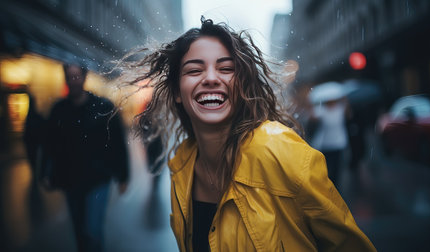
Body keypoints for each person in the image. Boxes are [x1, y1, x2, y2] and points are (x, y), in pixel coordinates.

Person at [121, 17, 376, 251]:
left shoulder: (283, 152)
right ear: (177, 91)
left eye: (226, 68)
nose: (210, 78)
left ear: (242, 84)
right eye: (194, 70)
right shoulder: (182, 166)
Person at [44, 63, 129, 252]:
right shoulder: (59, 110)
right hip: (70, 179)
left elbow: (118, 143)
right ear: (65, 79)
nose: (73, 81)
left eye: (77, 76)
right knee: (79, 228)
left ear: (84, 77)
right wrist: (46, 171)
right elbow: (49, 144)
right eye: (70, 77)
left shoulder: (102, 107)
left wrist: (123, 176)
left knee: (92, 229)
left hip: (98, 178)